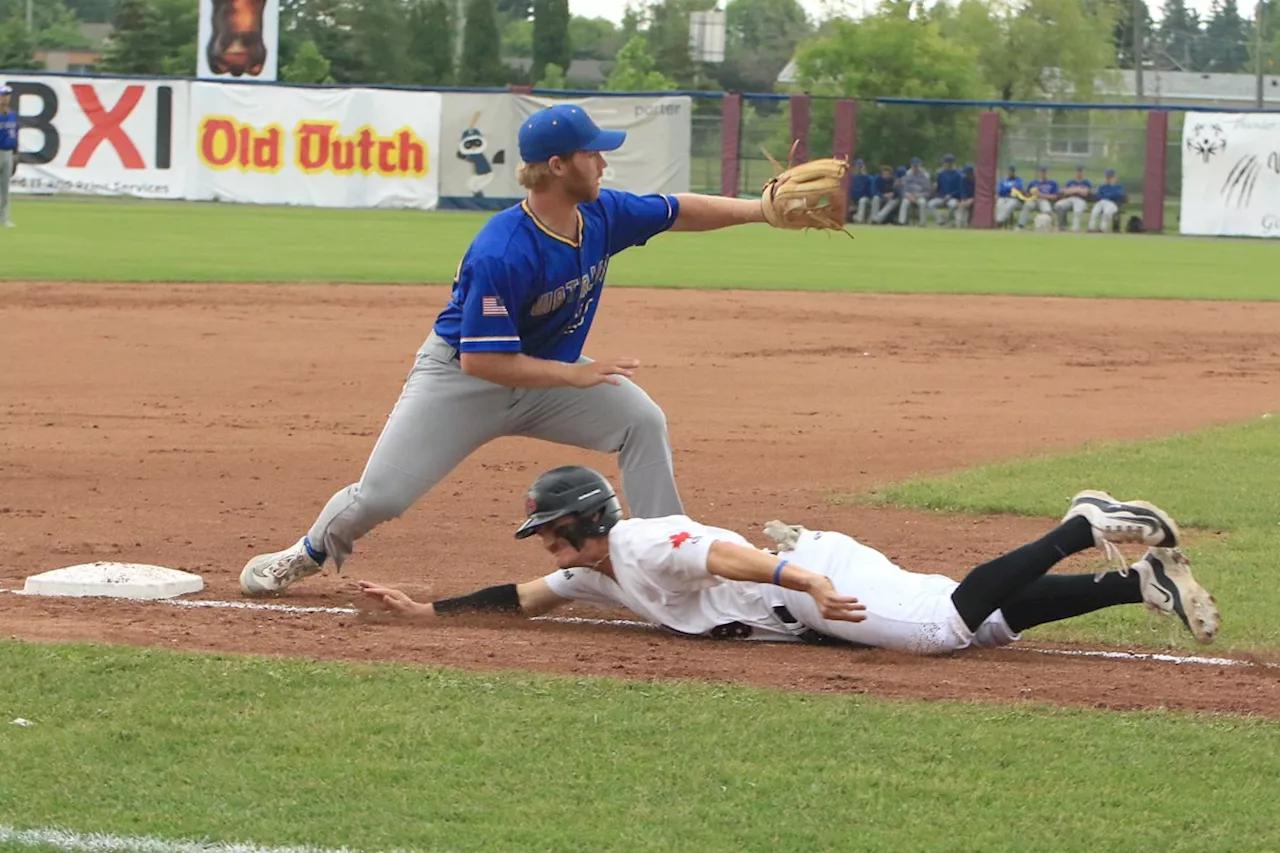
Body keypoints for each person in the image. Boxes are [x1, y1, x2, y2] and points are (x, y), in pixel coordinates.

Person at [240, 104, 780, 595]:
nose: (603, 163)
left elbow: (678, 210)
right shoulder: (502, 251)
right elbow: (483, 361)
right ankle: (306, 554)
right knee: (381, 497)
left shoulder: (600, 216)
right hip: (462, 382)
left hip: (549, 376)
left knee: (641, 421)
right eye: (592, 153)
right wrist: (575, 377)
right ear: (558, 165)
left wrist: (762, 211)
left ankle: (673, 559)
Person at [360, 466, 1221, 653]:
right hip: (808, 580)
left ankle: (1079, 525)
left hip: (806, 587)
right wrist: (427, 613)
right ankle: (1130, 581)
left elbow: (724, 554)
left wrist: (805, 580)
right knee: (990, 621)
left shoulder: (637, 539)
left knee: (942, 630)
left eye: (551, 530)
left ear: (585, 520)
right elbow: (525, 597)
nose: (546, 545)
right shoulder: (595, 568)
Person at [926, 154, 962, 226]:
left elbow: (960, 189)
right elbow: (939, 188)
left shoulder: (959, 175)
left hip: (953, 198)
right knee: (930, 204)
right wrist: (935, 188)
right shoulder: (941, 174)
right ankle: (940, 220)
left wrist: (951, 195)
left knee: (952, 205)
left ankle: (948, 220)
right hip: (942, 198)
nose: (944, 164)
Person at [1054, 165, 1092, 232]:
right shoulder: (1070, 182)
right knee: (1058, 205)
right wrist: (1079, 189)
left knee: (1077, 211)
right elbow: (1065, 192)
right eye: (1078, 171)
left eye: (1080, 172)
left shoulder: (1086, 182)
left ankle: (1075, 230)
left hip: (1081, 200)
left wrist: (1072, 190)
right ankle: (1062, 226)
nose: (1079, 173)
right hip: (1070, 199)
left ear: (1083, 173)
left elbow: (1085, 192)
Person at [0, 85, 17, 229]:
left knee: (5, 187)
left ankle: (4, 218)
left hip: (7, 152)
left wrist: (16, 153)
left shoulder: (12, 114)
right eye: (3, 95)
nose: (5, 97)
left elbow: (14, 133)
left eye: (7, 95)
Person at [1089, 169, 1126, 233]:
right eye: (1107, 177)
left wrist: (1106, 196)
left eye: (1110, 177)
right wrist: (1108, 196)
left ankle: (1102, 229)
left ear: (1114, 177)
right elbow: (1098, 195)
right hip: (1102, 202)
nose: (1108, 178)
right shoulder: (1102, 187)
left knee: (1106, 213)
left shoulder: (1119, 187)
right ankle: (1091, 228)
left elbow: (1118, 196)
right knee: (1094, 212)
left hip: (1112, 204)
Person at [898, 157, 931, 226]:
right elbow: (903, 189)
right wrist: (908, 196)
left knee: (922, 203)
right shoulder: (906, 175)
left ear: (920, 166)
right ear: (911, 166)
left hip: (920, 195)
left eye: (917, 166)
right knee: (904, 203)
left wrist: (917, 196)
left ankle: (922, 223)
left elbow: (927, 191)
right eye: (914, 166)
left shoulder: (925, 176)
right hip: (909, 196)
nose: (915, 168)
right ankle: (902, 222)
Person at [848, 159, 874, 224]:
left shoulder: (869, 178)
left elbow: (871, 192)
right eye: (858, 166)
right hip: (854, 201)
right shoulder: (852, 178)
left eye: (861, 166)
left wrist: (864, 175)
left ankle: (859, 220)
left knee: (862, 200)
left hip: (866, 200)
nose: (859, 168)